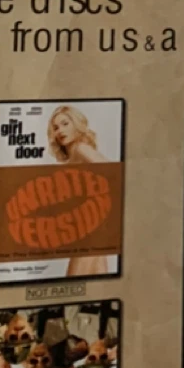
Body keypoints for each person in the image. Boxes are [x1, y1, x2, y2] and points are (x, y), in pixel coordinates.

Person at [46, 107, 113, 277]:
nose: (60, 131)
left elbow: (112, 170)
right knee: (98, 282)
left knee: (74, 281)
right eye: (56, 127)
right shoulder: (75, 153)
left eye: (65, 124)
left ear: (76, 125)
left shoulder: (80, 148)